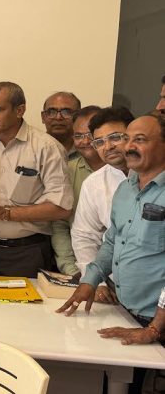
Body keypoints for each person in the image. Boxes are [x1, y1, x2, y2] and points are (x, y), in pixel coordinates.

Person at [58, 114, 165, 324]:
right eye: (128, 139)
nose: (128, 147)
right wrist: (90, 281)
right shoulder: (125, 189)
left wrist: (155, 327)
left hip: (157, 316)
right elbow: (111, 241)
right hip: (126, 306)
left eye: (139, 139)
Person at [0, 82, 73, 277]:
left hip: (28, 252)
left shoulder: (46, 147)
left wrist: (3, 213)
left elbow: (61, 207)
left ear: (20, 110)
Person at [71, 106, 134, 303]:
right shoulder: (95, 183)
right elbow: (85, 236)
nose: (108, 147)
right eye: (99, 142)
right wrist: (95, 282)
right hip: (114, 284)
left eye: (115, 137)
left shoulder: (154, 176)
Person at [50, 105, 103, 276]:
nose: (85, 141)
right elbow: (60, 225)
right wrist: (71, 268)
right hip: (80, 266)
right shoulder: (67, 170)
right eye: (78, 136)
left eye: (90, 135)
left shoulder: (125, 171)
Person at [40, 91, 81, 159]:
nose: (58, 117)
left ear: (79, 116)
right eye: (51, 112)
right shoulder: (32, 150)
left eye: (66, 112)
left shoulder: (91, 150)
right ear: (43, 117)